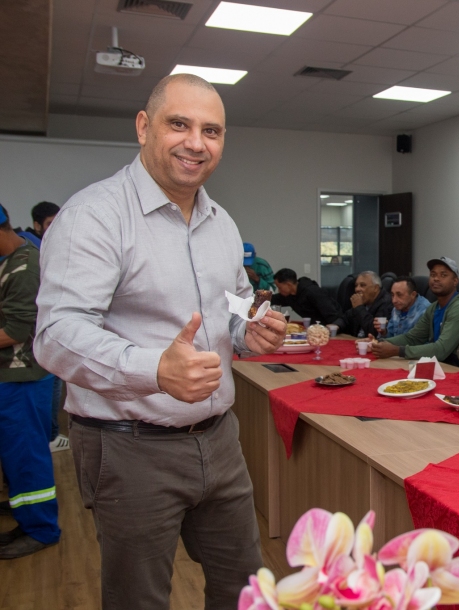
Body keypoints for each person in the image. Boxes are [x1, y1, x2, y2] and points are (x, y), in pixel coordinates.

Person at [34, 74, 286, 607]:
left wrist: (251, 328)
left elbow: (235, 304)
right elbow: (57, 335)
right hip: (128, 446)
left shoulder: (221, 223)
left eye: (211, 131)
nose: (197, 142)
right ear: (144, 127)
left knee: (246, 587)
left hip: (220, 440)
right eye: (180, 124)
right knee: (138, 599)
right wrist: (154, 369)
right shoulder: (94, 216)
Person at [0, 203, 60, 559]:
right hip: (12, 376)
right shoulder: (11, 259)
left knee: (26, 454)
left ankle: (41, 529)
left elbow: (18, 329)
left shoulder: (25, 266)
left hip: (23, 377)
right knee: (15, 454)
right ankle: (26, 513)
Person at [370, 257, 459, 366]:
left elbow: (441, 350)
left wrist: (398, 351)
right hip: (439, 365)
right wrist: (378, 343)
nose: (436, 279)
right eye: (433, 274)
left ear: (455, 281)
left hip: (458, 369)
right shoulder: (434, 307)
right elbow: (412, 338)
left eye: (443, 275)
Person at [272, 268, 345, 327]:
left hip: (331, 329)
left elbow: (333, 315)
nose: (279, 290)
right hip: (314, 328)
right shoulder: (289, 295)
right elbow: (272, 299)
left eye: (280, 287)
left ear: (289, 285)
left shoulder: (313, 292)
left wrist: (332, 328)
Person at [343, 271, 393, 337]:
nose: (357, 289)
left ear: (376, 288)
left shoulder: (386, 303)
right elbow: (346, 318)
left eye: (362, 285)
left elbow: (374, 332)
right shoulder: (364, 300)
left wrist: (359, 308)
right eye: (356, 285)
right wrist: (337, 325)